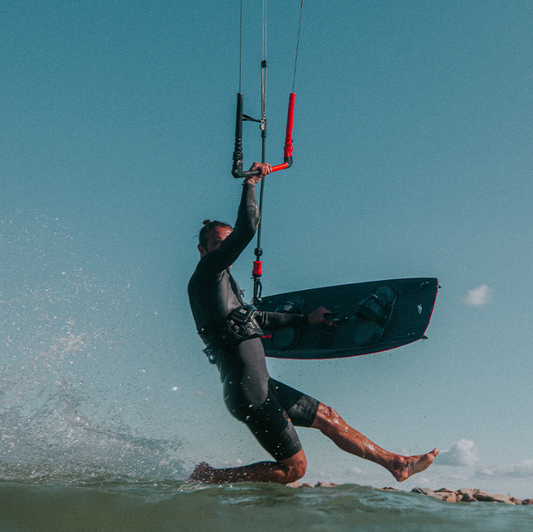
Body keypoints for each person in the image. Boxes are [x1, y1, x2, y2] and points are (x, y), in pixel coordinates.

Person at [187, 162, 438, 484]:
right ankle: (209, 476)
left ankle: (396, 463)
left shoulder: (223, 284)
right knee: (294, 469)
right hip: (249, 392)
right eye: (218, 243)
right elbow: (247, 229)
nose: (225, 248)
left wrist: (307, 319)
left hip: (261, 385)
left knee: (328, 417)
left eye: (227, 242)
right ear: (203, 249)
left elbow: (257, 319)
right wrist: (251, 183)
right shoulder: (207, 274)